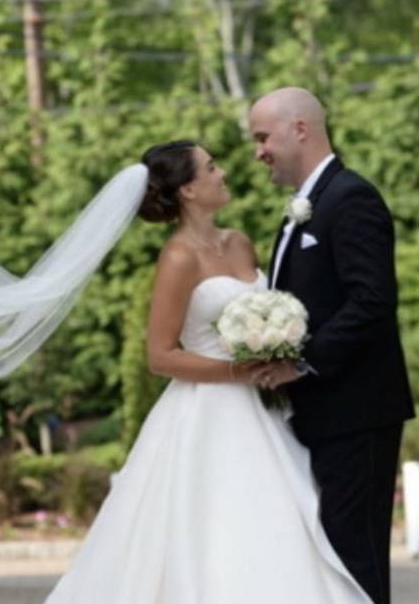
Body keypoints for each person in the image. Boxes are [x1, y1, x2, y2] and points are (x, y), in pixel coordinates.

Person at [43, 140, 371, 603]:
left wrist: (280, 340)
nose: (222, 173)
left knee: (278, 517)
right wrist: (241, 369)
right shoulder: (178, 258)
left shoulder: (239, 242)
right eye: (211, 167)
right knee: (217, 525)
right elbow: (160, 355)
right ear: (189, 191)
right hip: (208, 413)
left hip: (266, 407)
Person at [249, 87, 416, 604]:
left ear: (300, 128)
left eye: (262, 137)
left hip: (356, 413)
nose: (258, 151)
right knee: (327, 555)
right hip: (320, 415)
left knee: (353, 556)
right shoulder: (304, 208)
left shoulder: (351, 198)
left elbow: (372, 301)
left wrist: (303, 363)